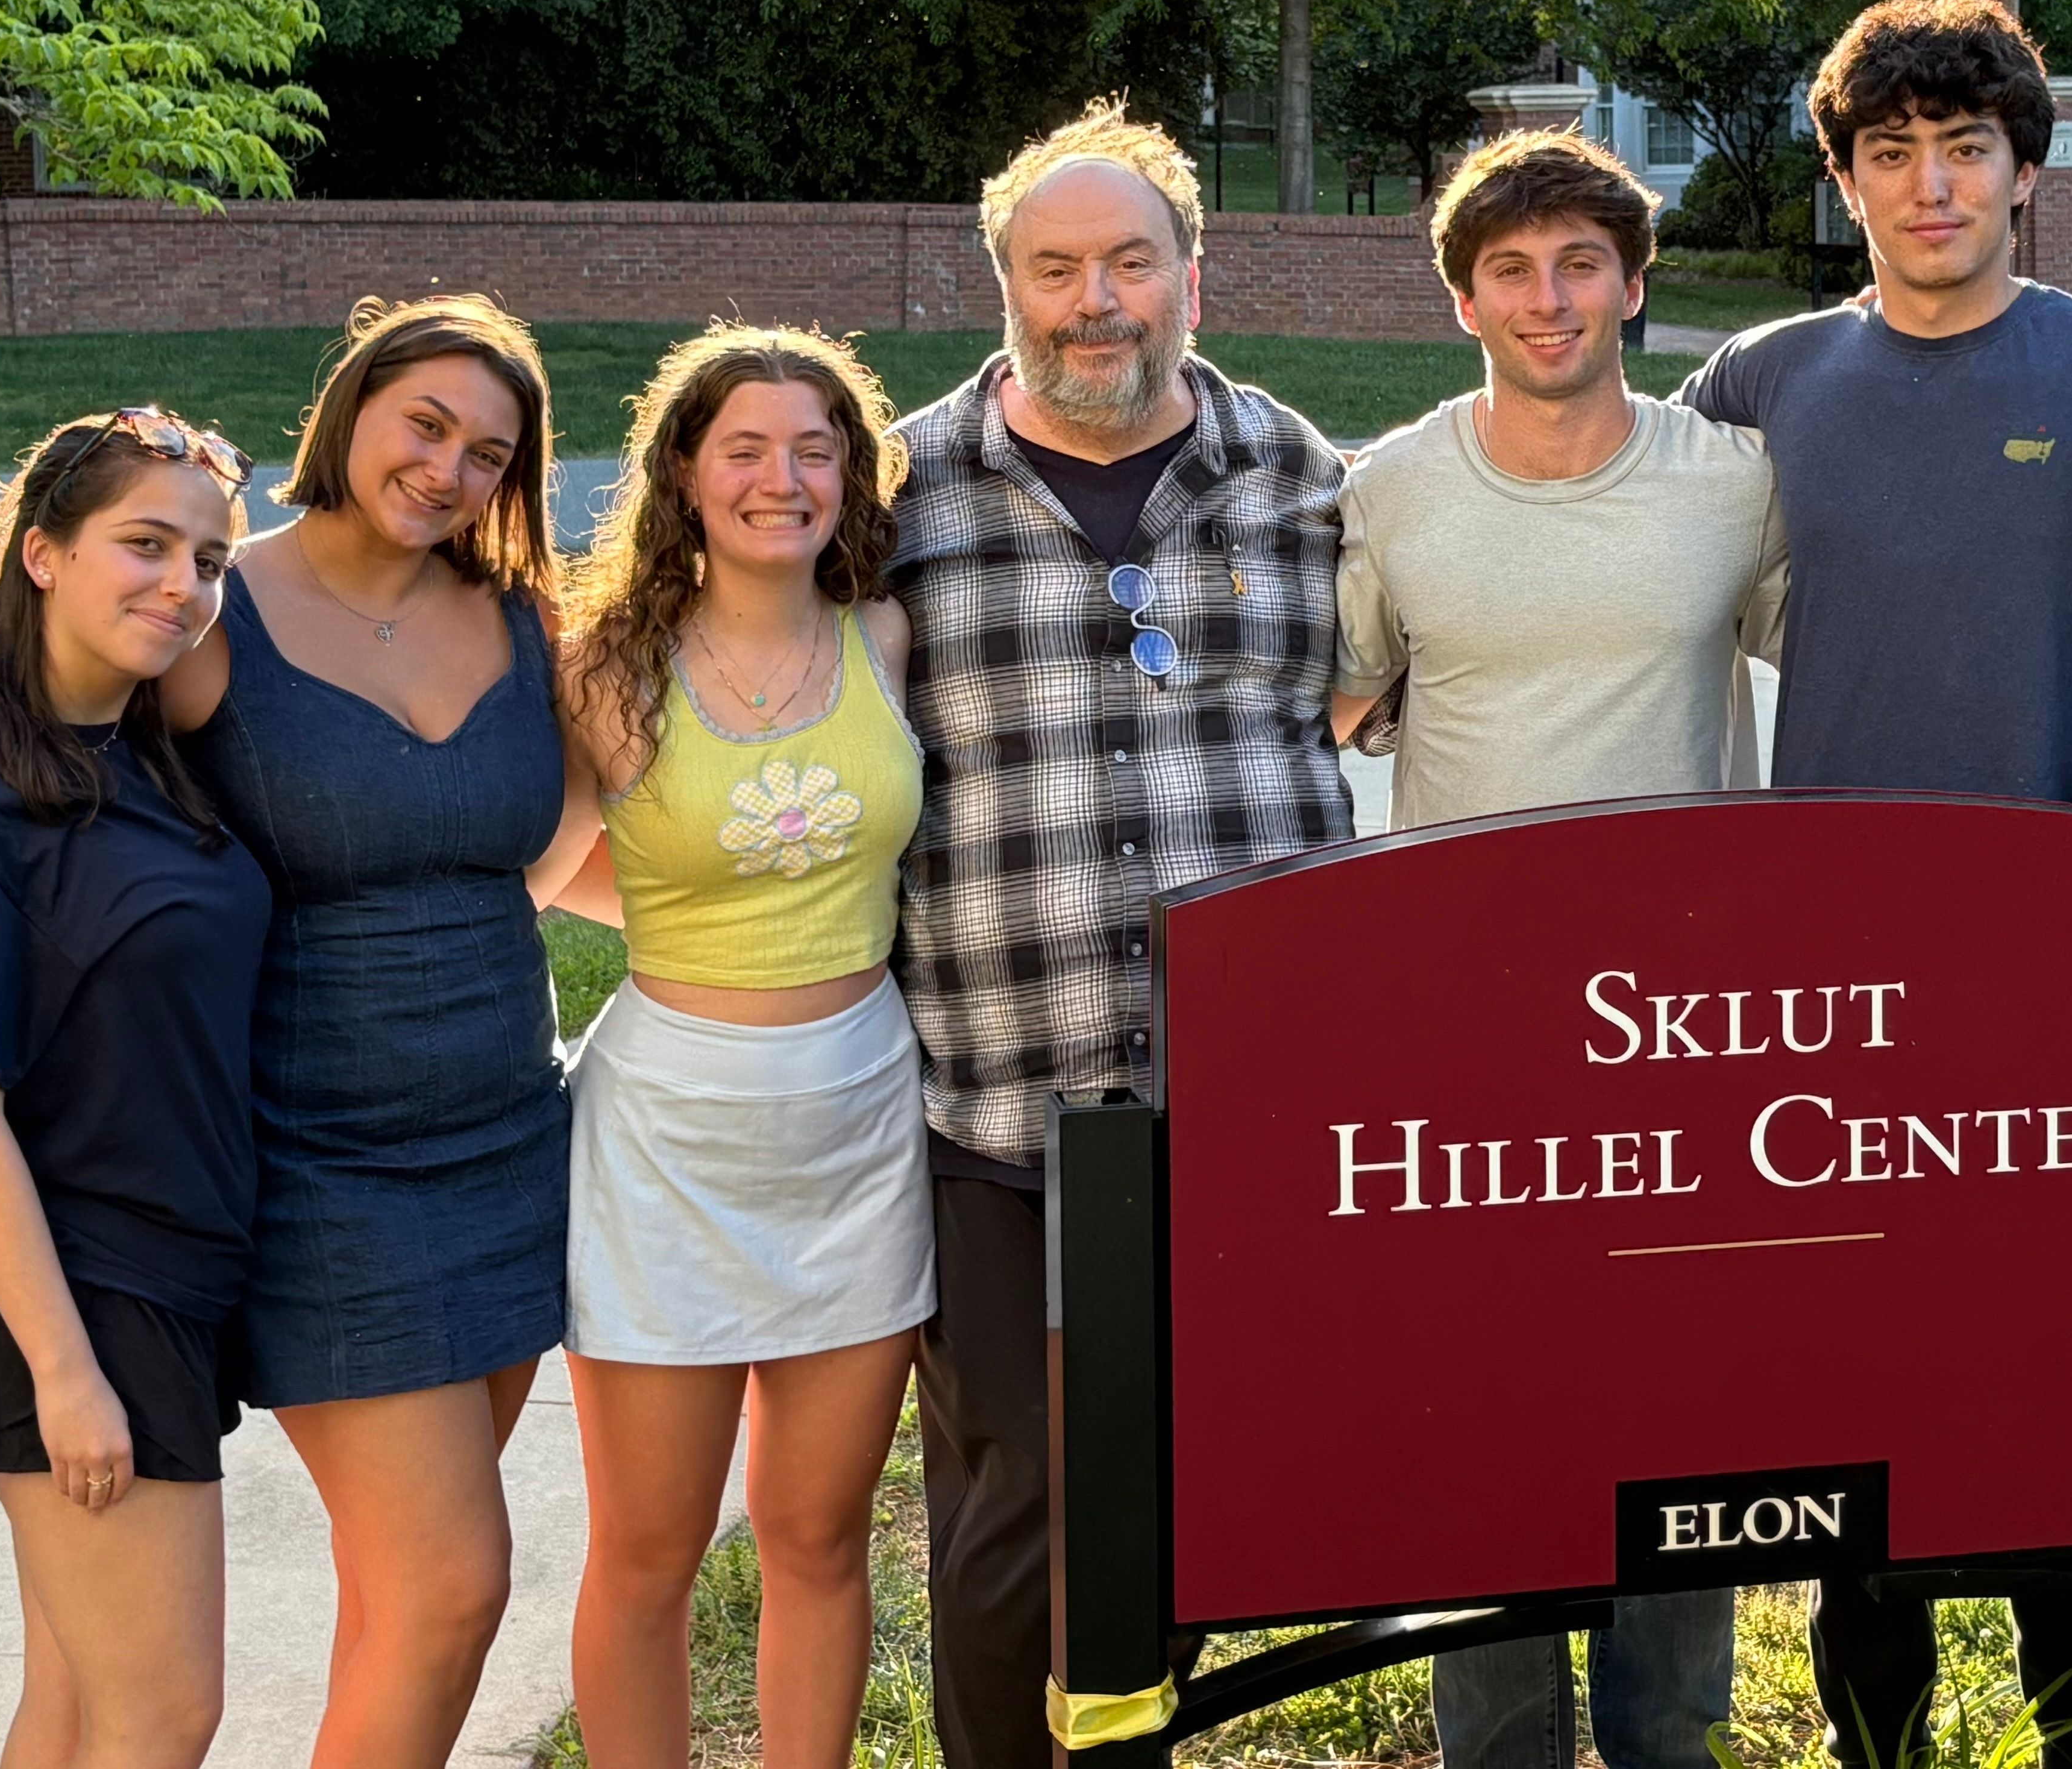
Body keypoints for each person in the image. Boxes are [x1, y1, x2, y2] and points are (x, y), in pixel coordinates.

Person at [1673, 0, 2072, 1769]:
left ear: (2023, 172)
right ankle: (1877, 1731)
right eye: (1887, 154)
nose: (1929, 184)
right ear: (1845, 181)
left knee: (2062, 1406)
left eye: (1963, 148)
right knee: (1854, 1399)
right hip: (1837, 989)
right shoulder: (1761, 385)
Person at [887, 98, 1355, 1769]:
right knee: (1013, 1488)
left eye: (1129, 262)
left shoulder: (1306, 483)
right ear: (1002, 283)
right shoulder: (899, 491)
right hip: (999, 1099)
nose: (1096, 300)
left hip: (1245, 1105)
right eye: (1055, 267)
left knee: (1186, 1479)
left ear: (1190, 277)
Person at [1331, 128, 1784, 1769]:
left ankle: (1674, 1735)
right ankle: (1501, 1738)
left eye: (1578, 262)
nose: (1548, 297)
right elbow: (1339, 695)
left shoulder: (1729, 481)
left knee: (1681, 1401)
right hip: (1467, 1025)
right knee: (1492, 1418)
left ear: (1631, 284)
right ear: (1463, 299)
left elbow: (1853, 649)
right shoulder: (1387, 491)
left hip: (1694, 1028)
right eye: (1511, 269)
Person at [163, 297, 599, 1767]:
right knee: (452, 1584)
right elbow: (31, 769)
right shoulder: (219, 611)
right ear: (349, 410)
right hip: (322, 1170)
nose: (449, 469)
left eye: (489, 452)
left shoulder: (519, 620)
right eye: (425, 424)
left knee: (395, 1595)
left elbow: (550, 857)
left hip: (508, 1147)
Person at [552, 324, 929, 1767]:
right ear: (685, 475)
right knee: (648, 1550)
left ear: (850, 475)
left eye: (815, 448)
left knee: (818, 1533)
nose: (783, 478)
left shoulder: (881, 635)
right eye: (747, 449)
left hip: (858, 1123)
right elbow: (532, 868)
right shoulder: (607, 666)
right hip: (669, 1139)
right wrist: (667, 916)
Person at [0, 409, 266, 1769]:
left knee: (82, 1706)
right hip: (77, 1299)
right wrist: (67, 1373)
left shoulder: (131, 753)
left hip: (158, 1277)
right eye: (144, 546)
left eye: (210, 559)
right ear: (41, 554)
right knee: (162, 1714)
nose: (183, 585)